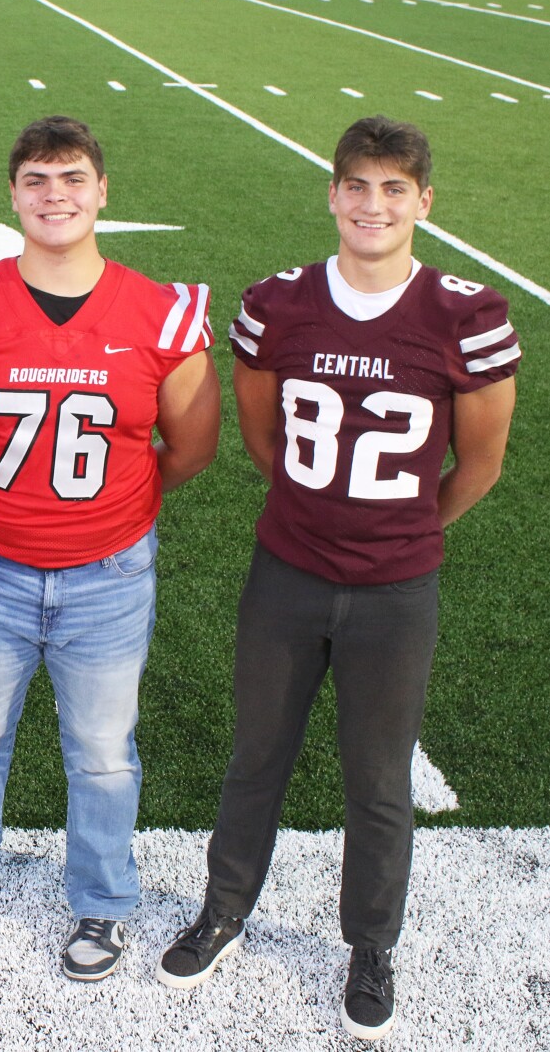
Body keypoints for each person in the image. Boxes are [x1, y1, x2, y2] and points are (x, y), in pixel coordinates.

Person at [155, 116, 519, 1040]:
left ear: (423, 202)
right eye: (357, 185)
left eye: (393, 188)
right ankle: (224, 910)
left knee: (377, 779)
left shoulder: (465, 315)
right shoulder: (278, 304)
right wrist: (322, 520)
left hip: (396, 591)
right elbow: (262, 436)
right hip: (287, 570)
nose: (372, 204)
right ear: (331, 194)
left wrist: (403, 531)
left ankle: (369, 945)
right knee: (256, 757)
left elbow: (479, 463)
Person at [0, 115, 220, 978]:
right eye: (36, 180)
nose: (54, 195)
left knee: (105, 753)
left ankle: (102, 902)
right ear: (11, 195)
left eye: (71, 178)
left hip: (108, 576)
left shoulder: (162, 312)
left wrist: (106, 512)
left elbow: (190, 447)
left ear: (101, 190)